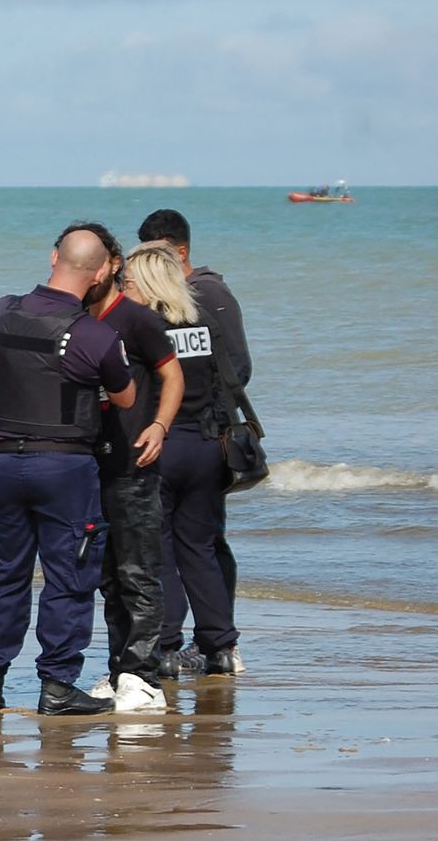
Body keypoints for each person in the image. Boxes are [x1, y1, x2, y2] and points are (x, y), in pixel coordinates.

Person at [0, 228, 134, 716]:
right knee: (70, 576)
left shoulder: (2, 312)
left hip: (2, 462)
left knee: (3, 575)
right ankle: (58, 686)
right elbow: (125, 398)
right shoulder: (95, 335)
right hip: (64, 464)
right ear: (103, 271)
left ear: (53, 257)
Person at [72, 223, 184, 713]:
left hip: (134, 462)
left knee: (139, 571)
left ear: (113, 266)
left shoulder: (137, 319)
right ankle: (121, 670)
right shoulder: (71, 317)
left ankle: (144, 674)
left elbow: (172, 375)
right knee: (106, 576)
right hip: (85, 464)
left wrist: (160, 426)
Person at [136, 209, 250, 675]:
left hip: (163, 444)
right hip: (207, 444)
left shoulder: (147, 327)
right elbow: (234, 373)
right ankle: (220, 647)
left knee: (159, 549)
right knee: (200, 547)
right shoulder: (201, 322)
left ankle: (164, 647)